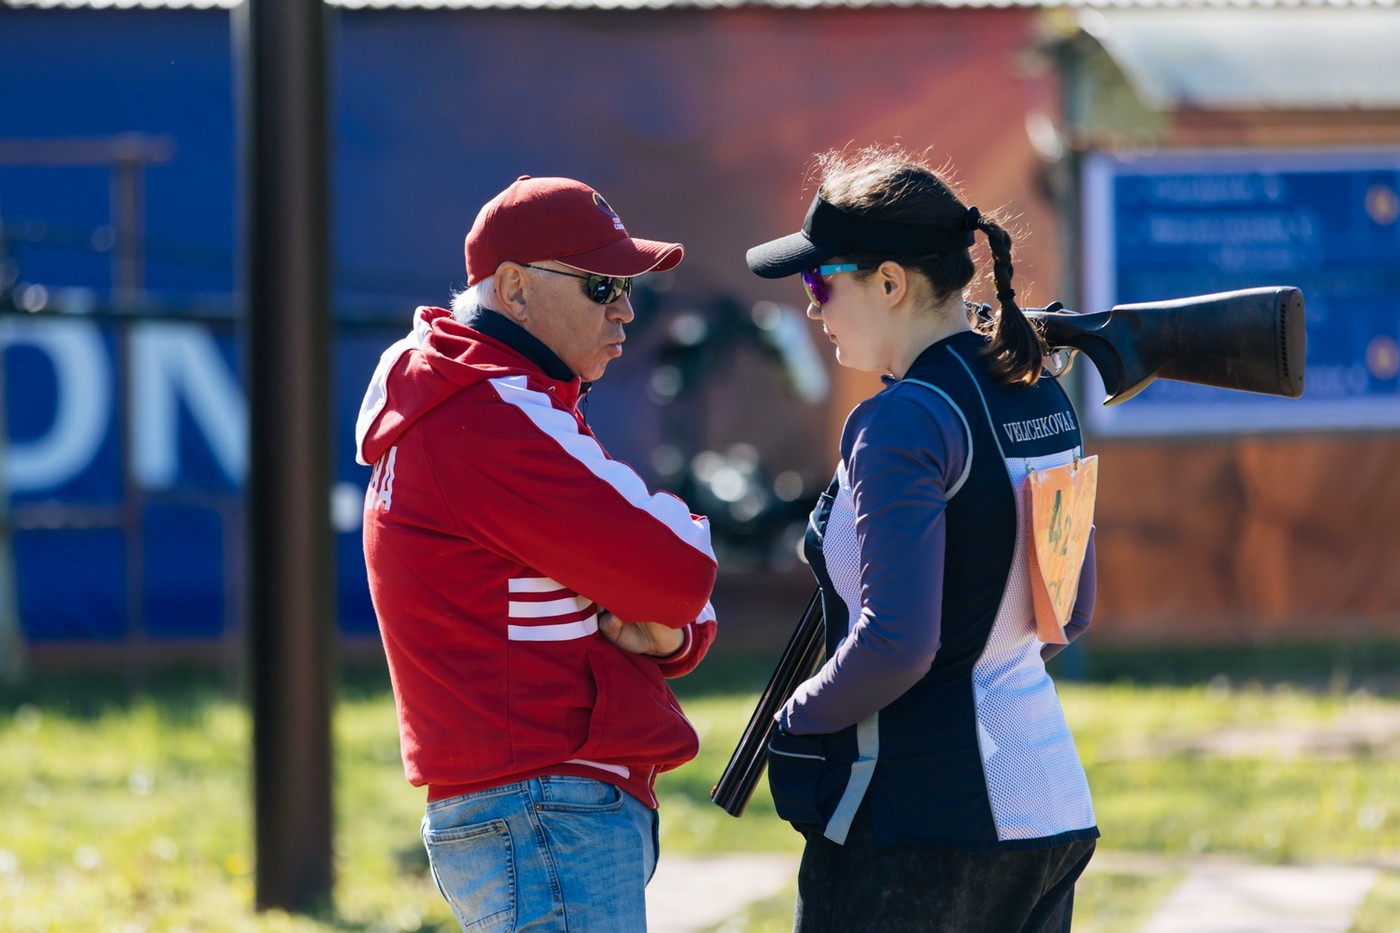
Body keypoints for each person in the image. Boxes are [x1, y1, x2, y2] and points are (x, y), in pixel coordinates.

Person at [745, 145, 1099, 932]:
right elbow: (1067, 611)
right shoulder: (1038, 387)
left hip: (919, 825)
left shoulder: (902, 419)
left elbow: (899, 644)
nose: (814, 309)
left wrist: (795, 720)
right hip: (1048, 808)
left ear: (891, 282)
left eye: (818, 283)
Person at [356, 175, 719, 931]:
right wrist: (669, 616)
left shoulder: (474, 391)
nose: (625, 307)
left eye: (628, 287)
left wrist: (672, 627)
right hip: (544, 805)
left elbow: (666, 596)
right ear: (514, 289)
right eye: (601, 285)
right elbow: (682, 567)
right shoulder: (489, 406)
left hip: (531, 803)